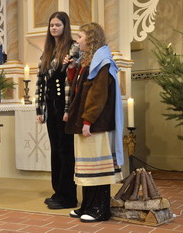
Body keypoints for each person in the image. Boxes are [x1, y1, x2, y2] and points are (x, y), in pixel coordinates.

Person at [64, 22, 124, 222]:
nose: (77, 40)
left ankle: (101, 209)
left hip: (96, 124)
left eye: (80, 37)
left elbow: (97, 95)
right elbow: (79, 90)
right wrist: (72, 69)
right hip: (86, 122)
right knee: (86, 169)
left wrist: (88, 120)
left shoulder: (102, 62)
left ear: (90, 39)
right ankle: (87, 206)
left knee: (98, 169)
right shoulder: (87, 61)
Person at [35, 11, 79, 209]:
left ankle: (68, 196)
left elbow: (74, 76)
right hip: (51, 107)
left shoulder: (73, 47)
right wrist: (39, 109)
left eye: (57, 25)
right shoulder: (47, 50)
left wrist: (68, 109)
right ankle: (57, 191)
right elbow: (41, 82)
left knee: (65, 151)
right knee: (55, 150)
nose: (54, 28)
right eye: (51, 25)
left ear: (65, 27)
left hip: (64, 106)